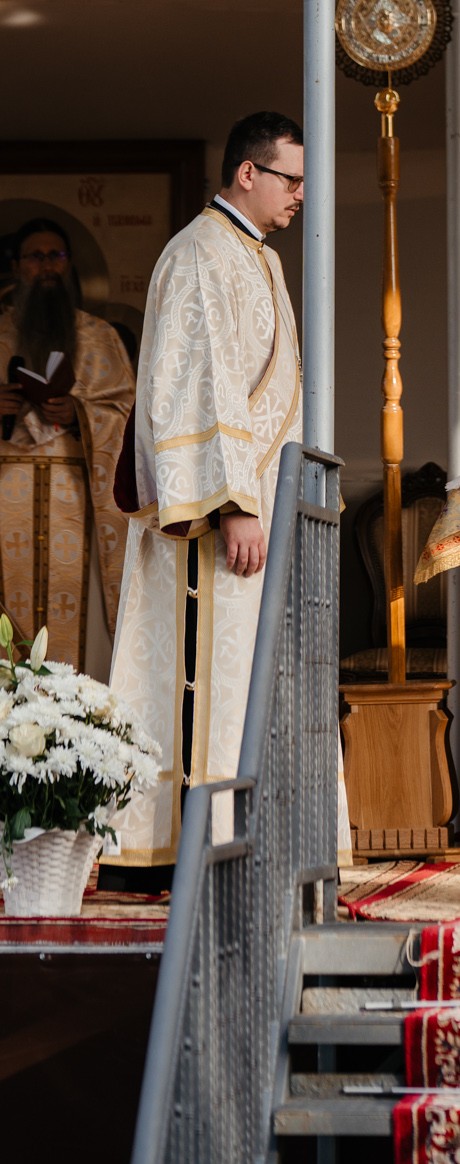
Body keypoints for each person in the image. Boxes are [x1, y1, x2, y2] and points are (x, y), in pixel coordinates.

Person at [107, 112, 310, 867]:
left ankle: (253, 845)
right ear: (247, 173)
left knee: (249, 676)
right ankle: (198, 849)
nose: (300, 195)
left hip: (258, 504)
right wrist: (234, 504)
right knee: (211, 675)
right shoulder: (200, 252)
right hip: (220, 519)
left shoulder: (257, 257)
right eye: (290, 179)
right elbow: (201, 385)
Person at [0, 217, 134, 677]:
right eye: (35, 257)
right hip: (6, 499)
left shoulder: (100, 337)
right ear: (16, 266)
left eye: (55, 256)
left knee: (76, 632)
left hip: (77, 503)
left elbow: (130, 417)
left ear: (70, 264)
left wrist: (80, 414)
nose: (46, 266)